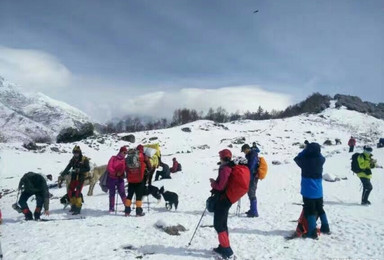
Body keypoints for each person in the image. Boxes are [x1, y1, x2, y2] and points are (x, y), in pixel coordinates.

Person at [294, 142, 330, 239]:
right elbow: (320, 155)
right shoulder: (321, 160)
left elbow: (296, 158)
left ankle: (312, 231)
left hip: (308, 190)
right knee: (320, 208)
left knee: (310, 210)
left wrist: (305, 150)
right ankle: (325, 227)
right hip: (318, 190)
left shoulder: (305, 160)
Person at [209, 149, 234, 259]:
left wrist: (213, 183)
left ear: (222, 157)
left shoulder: (225, 169)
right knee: (222, 224)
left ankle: (227, 251)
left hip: (223, 200)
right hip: (226, 199)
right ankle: (222, 246)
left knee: (219, 225)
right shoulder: (229, 167)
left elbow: (220, 186)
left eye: (220, 156)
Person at [60, 145, 90, 215]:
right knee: (70, 191)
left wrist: (79, 170)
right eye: (74, 153)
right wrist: (62, 174)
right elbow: (68, 167)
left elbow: (87, 168)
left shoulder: (84, 159)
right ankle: (73, 205)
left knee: (78, 193)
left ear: (80, 153)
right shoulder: (73, 159)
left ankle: (78, 207)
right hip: (74, 177)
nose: (76, 154)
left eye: (77, 153)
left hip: (81, 177)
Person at [125, 145, 152, 216]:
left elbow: (125, 166)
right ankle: (138, 212)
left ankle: (127, 211)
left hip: (131, 179)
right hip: (140, 179)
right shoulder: (143, 156)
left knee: (129, 195)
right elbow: (150, 167)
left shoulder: (130, 156)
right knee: (138, 196)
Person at [107, 146, 129, 213]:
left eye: (126, 153)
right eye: (124, 152)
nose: (125, 154)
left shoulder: (124, 160)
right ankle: (111, 208)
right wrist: (115, 173)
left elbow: (126, 169)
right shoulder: (113, 158)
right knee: (112, 193)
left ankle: (127, 207)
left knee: (122, 193)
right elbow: (109, 167)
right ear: (120, 152)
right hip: (112, 178)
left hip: (120, 178)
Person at [241, 144, 259, 217]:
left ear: (247, 149)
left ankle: (254, 212)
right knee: (250, 192)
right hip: (251, 177)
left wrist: (244, 165)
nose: (244, 152)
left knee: (252, 193)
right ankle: (252, 209)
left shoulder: (253, 155)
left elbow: (251, 166)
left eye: (244, 151)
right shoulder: (251, 154)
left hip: (253, 177)